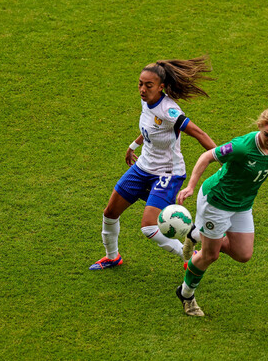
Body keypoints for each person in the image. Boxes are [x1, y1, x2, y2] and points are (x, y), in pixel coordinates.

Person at [89, 57, 217, 270]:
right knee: (109, 213)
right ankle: (112, 257)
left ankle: (191, 256)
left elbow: (199, 133)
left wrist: (221, 158)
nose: (142, 89)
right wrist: (134, 145)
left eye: (149, 85)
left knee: (149, 227)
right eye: (140, 84)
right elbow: (150, 128)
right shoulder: (146, 101)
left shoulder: (169, 111)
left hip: (167, 173)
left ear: (161, 87)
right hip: (142, 168)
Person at [175, 102, 268, 315]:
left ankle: (196, 233)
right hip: (216, 201)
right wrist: (190, 186)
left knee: (243, 254)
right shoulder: (241, 146)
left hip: (243, 205)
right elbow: (207, 156)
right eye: (267, 135)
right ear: (259, 127)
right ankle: (186, 294)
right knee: (210, 255)